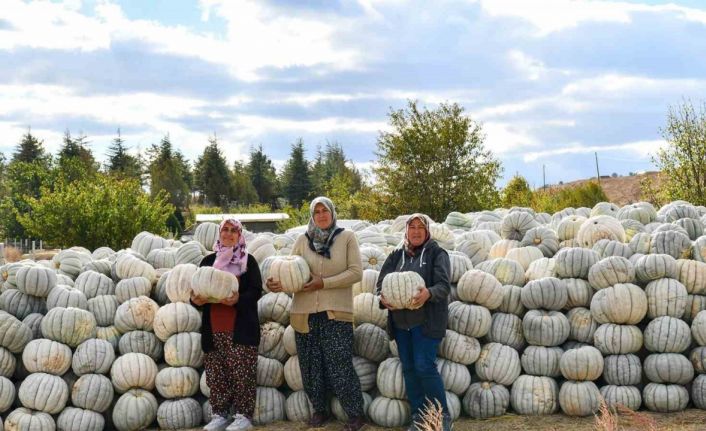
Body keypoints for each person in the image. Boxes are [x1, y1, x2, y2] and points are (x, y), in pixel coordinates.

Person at [266, 197, 366, 431]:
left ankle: (354, 414)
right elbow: (291, 273)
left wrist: (324, 283)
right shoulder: (302, 240)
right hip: (304, 313)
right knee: (311, 366)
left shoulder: (346, 237)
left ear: (332, 213)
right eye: (317, 211)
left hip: (336, 312)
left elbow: (356, 273)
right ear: (312, 216)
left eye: (325, 210)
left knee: (339, 364)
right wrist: (277, 284)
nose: (321, 215)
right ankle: (320, 411)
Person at [376, 213, 451, 431]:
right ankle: (419, 417)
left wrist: (429, 293)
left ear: (427, 231)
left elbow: (444, 286)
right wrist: (383, 299)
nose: (416, 231)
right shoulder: (396, 256)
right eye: (412, 227)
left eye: (420, 227)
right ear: (406, 230)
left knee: (424, 366)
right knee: (409, 369)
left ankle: (441, 416)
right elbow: (381, 285)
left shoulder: (437, 253)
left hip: (426, 323)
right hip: (401, 324)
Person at [192, 218, 262, 431]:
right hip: (213, 328)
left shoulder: (248, 261)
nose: (229, 234)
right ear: (219, 233)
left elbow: (256, 291)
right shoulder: (207, 261)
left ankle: (243, 417)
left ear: (240, 235)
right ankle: (220, 415)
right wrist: (195, 301)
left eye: (234, 231)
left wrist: (237, 300)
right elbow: (195, 291)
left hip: (240, 330)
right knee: (217, 374)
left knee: (242, 375)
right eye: (225, 230)